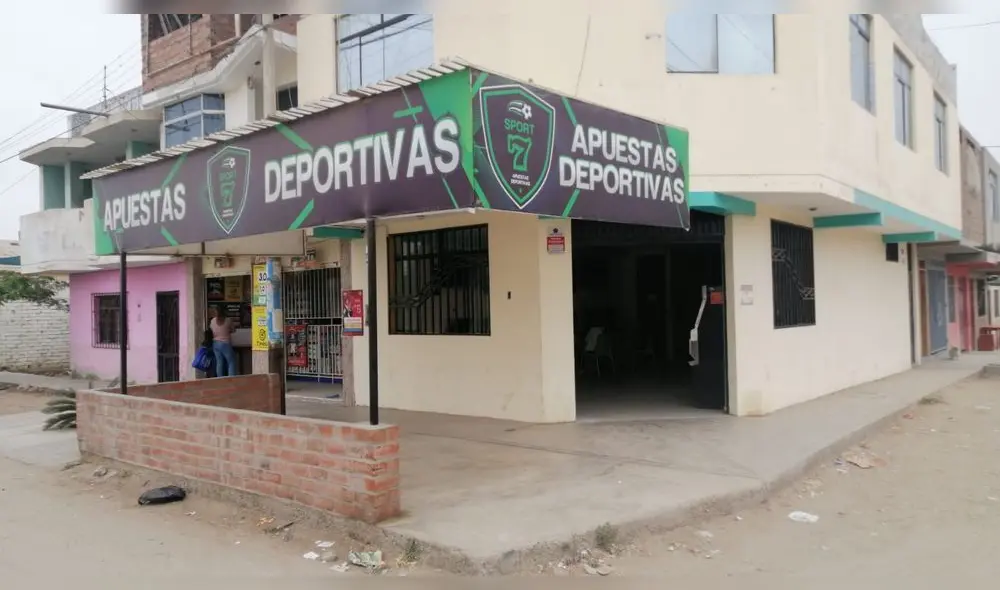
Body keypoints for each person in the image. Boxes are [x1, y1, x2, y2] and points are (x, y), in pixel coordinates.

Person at [209, 306, 238, 377]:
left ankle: (220, 379)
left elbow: (211, 330)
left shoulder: (212, 320)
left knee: (219, 362)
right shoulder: (228, 320)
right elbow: (233, 330)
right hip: (225, 344)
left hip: (215, 343)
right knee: (231, 362)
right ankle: (232, 378)